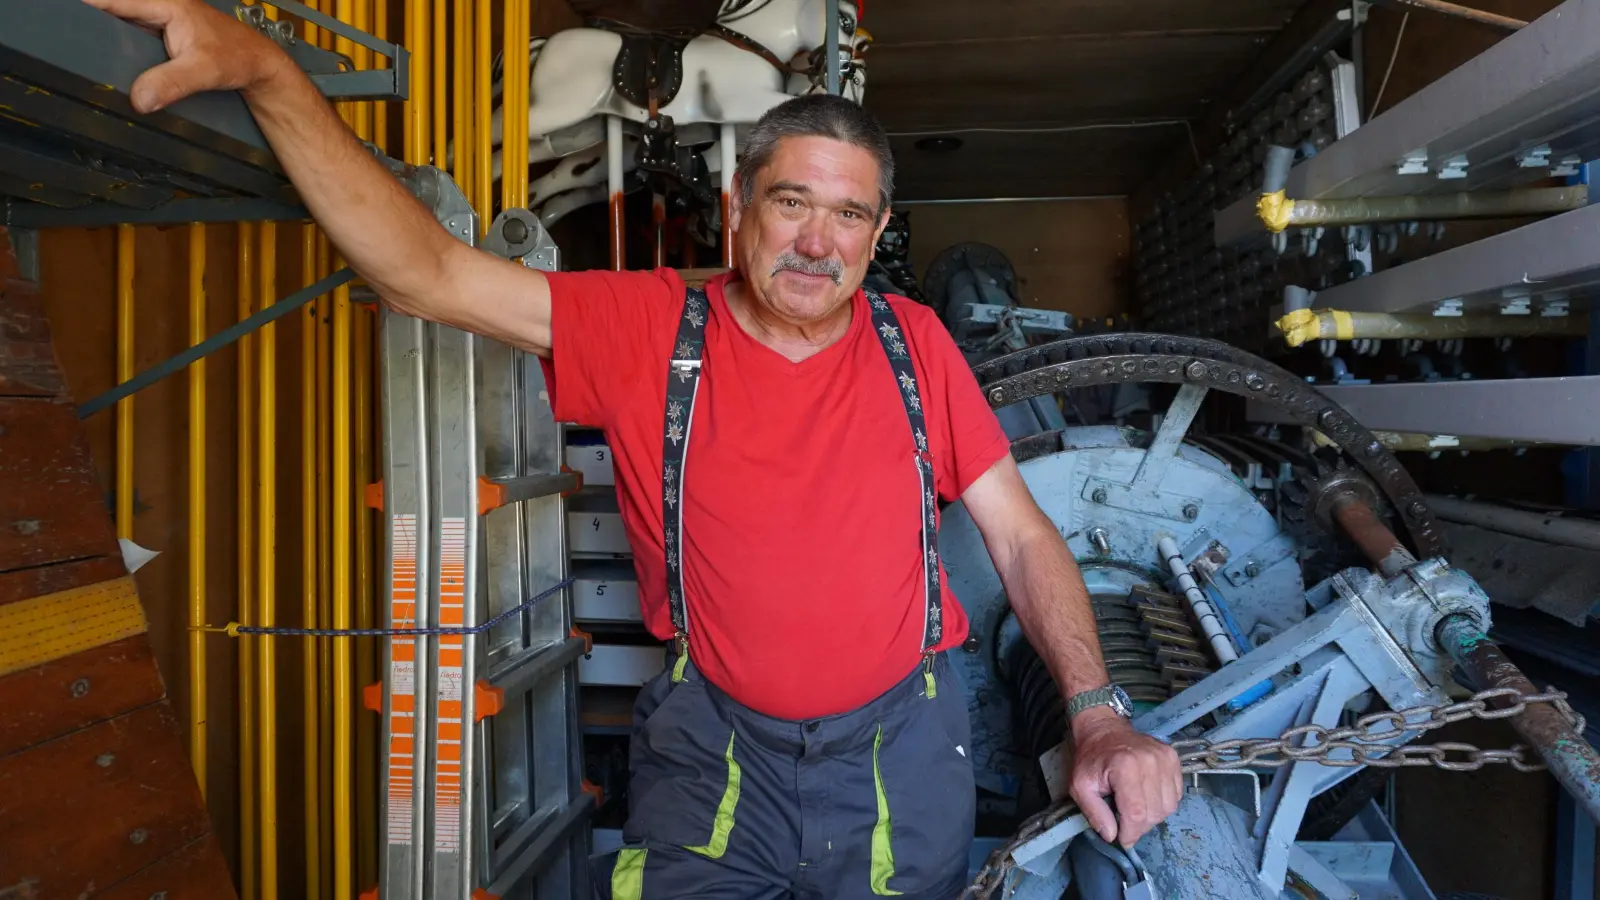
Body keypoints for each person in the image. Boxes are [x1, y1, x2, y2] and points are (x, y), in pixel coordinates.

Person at [89, 0, 1184, 895]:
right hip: (710, 753)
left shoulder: (918, 345)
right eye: (790, 201)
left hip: (901, 754)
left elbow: (1025, 536)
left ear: (877, 229)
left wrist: (1096, 716)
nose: (815, 240)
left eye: (846, 216)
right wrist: (273, 75)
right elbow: (424, 270)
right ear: (737, 203)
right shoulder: (647, 325)